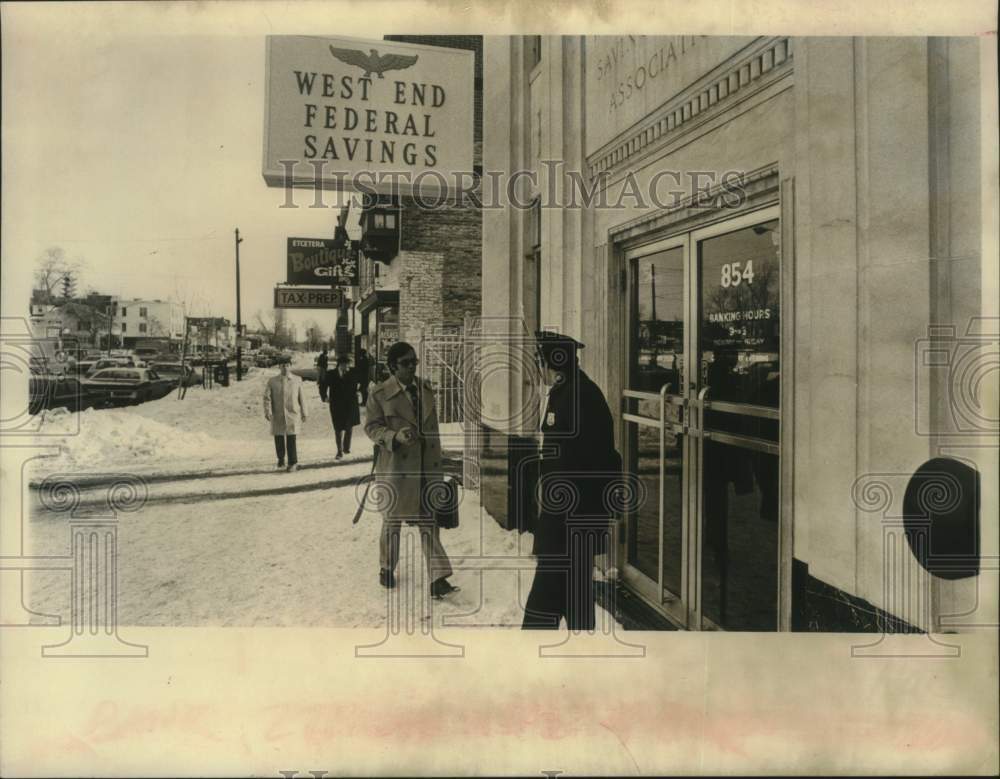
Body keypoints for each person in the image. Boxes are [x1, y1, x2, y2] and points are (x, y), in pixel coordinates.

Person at [522, 331, 620, 631]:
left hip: (570, 521)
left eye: (539, 361)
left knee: (543, 604)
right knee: (575, 599)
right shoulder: (569, 391)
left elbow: (593, 461)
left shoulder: (578, 396)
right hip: (570, 519)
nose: (537, 368)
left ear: (553, 363)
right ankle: (582, 651)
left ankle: (525, 656)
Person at [364, 341, 457, 597]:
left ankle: (438, 578)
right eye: (406, 363)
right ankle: (386, 568)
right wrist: (394, 436)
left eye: (414, 362)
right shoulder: (379, 394)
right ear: (393, 367)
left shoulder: (425, 389)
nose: (412, 367)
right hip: (397, 468)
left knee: (429, 521)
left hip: (426, 467)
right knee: (392, 521)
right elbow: (371, 428)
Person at [263, 356, 307, 472]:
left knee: (292, 438)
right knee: (279, 437)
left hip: (293, 413)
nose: (285, 368)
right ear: (279, 367)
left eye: (287, 365)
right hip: (278, 413)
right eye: (282, 365)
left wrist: (304, 412)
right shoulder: (272, 381)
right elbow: (267, 398)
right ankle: (281, 459)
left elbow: (302, 397)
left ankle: (293, 462)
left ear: (290, 366)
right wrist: (268, 411)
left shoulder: (297, 380)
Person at [324, 354, 360, 459]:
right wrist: (324, 396)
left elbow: (362, 382)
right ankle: (339, 451)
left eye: (349, 364)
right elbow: (323, 385)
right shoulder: (331, 374)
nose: (348, 367)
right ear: (340, 364)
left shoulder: (353, 373)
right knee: (338, 428)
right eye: (346, 365)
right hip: (336, 405)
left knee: (349, 426)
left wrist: (360, 391)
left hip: (350, 404)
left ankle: (346, 447)